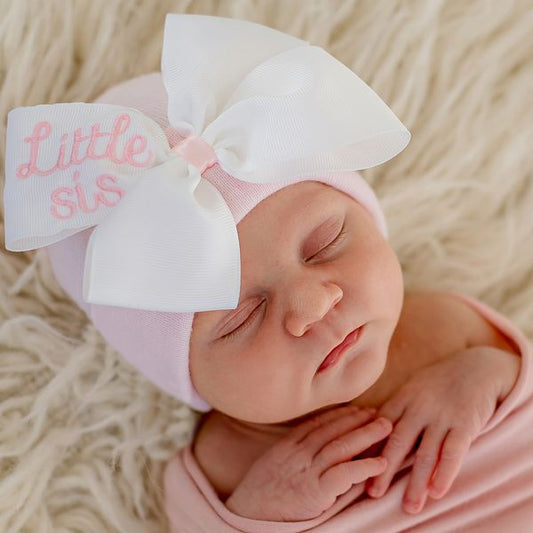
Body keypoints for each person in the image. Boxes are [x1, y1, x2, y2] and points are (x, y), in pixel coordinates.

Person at [4, 14, 532, 533]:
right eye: (242, 318)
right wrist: (266, 510)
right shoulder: (228, 466)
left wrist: (480, 376)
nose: (312, 304)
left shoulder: (444, 328)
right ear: (183, 375)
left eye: (326, 244)